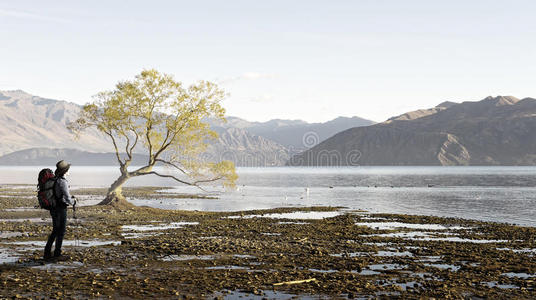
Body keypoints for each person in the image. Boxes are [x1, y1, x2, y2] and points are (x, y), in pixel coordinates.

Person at [44, 160, 76, 261]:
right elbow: (67, 198)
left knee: (55, 230)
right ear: (65, 171)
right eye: (68, 169)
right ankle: (57, 254)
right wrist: (74, 201)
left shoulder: (55, 179)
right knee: (60, 231)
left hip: (54, 208)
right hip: (60, 209)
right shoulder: (62, 181)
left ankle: (47, 253)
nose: (69, 171)